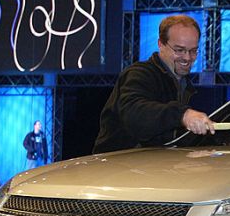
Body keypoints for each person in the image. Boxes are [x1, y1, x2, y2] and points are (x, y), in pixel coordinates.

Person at [92, 14, 215, 153]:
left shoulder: (183, 85)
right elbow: (135, 114)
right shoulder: (139, 74)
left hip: (150, 167)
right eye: (179, 50)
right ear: (161, 44)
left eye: (193, 51)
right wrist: (183, 115)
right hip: (116, 167)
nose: (187, 57)